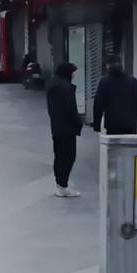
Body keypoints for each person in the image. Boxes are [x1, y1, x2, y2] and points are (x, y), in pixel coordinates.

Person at [46, 62, 83, 198]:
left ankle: (60, 185)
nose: (74, 75)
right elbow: (71, 109)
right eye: (73, 72)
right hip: (67, 128)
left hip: (56, 127)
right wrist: (78, 123)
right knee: (69, 156)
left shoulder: (52, 85)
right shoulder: (65, 88)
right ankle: (63, 186)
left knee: (59, 156)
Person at [93, 55, 137, 135]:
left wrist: (96, 125)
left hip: (112, 124)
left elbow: (98, 104)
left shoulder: (104, 82)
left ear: (108, 66)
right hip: (130, 124)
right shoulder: (132, 81)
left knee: (115, 147)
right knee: (129, 145)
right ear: (121, 65)